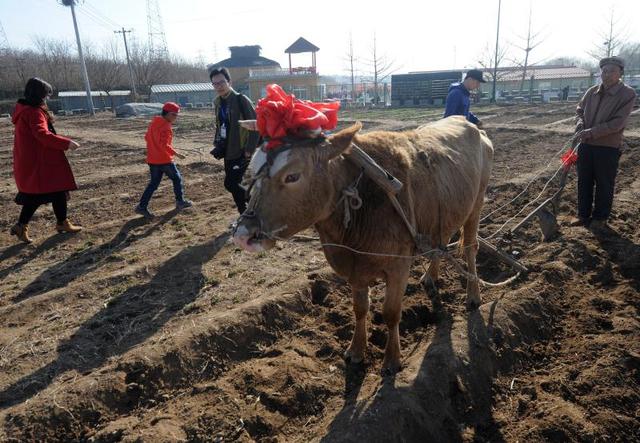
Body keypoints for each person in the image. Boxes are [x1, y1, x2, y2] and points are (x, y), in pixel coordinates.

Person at [10, 77, 82, 244]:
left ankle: (59, 223)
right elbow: (42, 135)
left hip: (34, 161)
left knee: (53, 192)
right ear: (39, 95)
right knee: (43, 194)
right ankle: (29, 225)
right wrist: (67, 143)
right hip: (41, 162)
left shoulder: (25, 110)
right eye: (46, 95)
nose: (47, 98)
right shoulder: (33, 112)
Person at [571, 56, 637, 229]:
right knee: (583, 181)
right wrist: (580, 125)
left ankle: (600, 218)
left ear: (620, 73)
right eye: (604, 71)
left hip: (607, 147)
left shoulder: (627, 94)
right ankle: (583, 215)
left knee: (604, 183)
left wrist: (591, 132)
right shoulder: (592, 91)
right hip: (585, 144)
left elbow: (618, 123)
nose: (607, 75)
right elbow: (579, 110)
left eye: (612, 71)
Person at [209, 67, 260, 214]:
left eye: (221, 82)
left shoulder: (240, 100)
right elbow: (220, 125)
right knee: (237, 184)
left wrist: (249, 150)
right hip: (228, 151)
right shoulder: (218, 102)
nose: (219, 86)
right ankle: (245, 213)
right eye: (215, 84)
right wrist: (218, 144)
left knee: (232, 183)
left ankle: (253, 210)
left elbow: (256, 125)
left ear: (229, 82)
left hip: (242, 151)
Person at [135, 102, 192, 218]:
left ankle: (141, 206)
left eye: (177, 115)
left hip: (152, 159)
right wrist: (177, 154)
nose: (175, 117)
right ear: (166, 114)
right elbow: (164, 145)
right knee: (176, 178)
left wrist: (153, 147)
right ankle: (180, 201)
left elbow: (147, 137)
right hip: (164, 160)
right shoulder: (165, 126)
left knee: (153, 184)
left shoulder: (154, 122)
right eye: (174, 115)